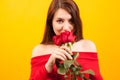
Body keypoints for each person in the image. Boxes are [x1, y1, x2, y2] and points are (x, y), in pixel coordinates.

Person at [29, 0, 103, 80]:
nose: (66, 28)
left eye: (71, 21)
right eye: (60, 21)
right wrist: (48, 66)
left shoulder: (88, 46)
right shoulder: (39, 50)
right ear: (51, 22)